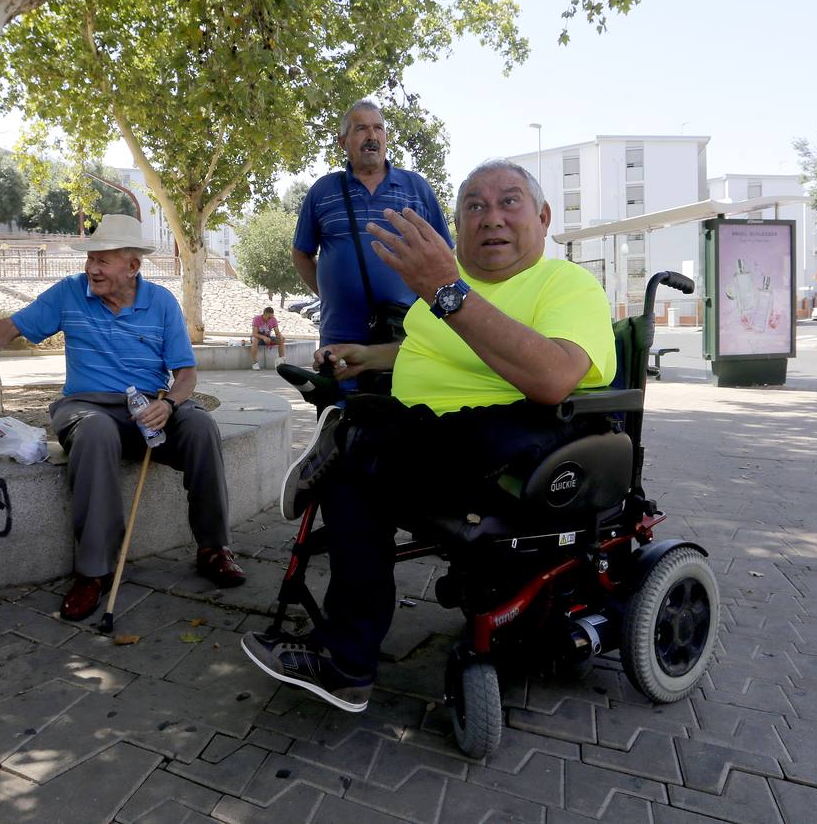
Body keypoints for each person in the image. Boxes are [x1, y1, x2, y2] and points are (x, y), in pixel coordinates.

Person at [242, 160, 616, 713]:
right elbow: (427, 347)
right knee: (350, 482)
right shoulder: (446, 294)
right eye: (474, 207)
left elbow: (554, 376)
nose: (491, 217)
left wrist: (448, 291)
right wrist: (366, 355)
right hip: (428, 447)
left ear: (542, 216)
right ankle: (346, 662)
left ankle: (349, 436)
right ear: (458, 228)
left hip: (522, 445)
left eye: (509, 202)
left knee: (367, 445)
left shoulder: (564, 283)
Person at [0, 214, 246, 622]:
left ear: (132, 266)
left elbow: (186, 374)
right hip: (86, 404)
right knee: (96, 430)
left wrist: (170, 404)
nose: (92, 268)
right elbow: (13, 326)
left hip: (150, 406)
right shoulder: (70, 293)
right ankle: (94, 570)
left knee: (201, 425)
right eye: (90, 259)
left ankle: (214, 548)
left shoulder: (162, 303)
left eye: (102, 260)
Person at [292, 99, 452, 347]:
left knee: (401, 388)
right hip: (339, 336)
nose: (372, 136)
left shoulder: (416, 187)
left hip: (405, 335)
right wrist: (331, 296)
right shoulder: (323, 191)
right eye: (361, 129)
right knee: (339, 387)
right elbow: (301, 255)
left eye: (378, 128)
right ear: (342, 142)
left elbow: (445, 254)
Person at [249, 306, 285, 370]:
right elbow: (254, 333)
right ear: (264, 315)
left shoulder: (273, 319)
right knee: (255, 340)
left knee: (281, 341)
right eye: (269, 317)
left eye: (271, 317)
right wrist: (263, 337)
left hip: (267, 337)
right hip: (257, 337)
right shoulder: (257, 319)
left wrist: (280, 337)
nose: (270, 318)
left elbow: (277, 332)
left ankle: (281, 362)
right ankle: (255, 363)